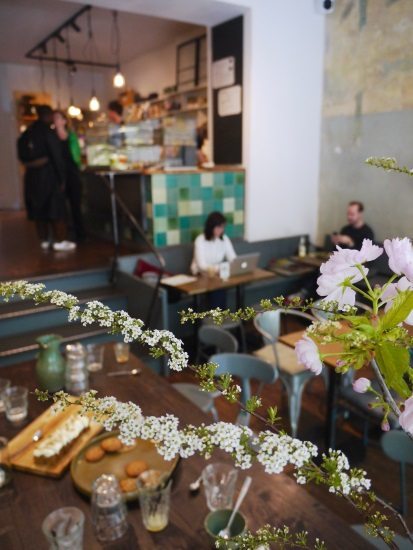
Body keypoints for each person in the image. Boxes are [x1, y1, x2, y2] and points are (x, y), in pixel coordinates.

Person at [17, 105, 75, 251]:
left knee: (39, 209)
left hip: (31, 176)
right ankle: (60, 240)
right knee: (55, 209)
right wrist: (62, 178)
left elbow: (21, 155)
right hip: (49, 175)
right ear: (48, 116)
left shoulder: (27, 133)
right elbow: (57, 157)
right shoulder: (48, 133)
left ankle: (43, 240)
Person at [191, 212, 236, 309]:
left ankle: (221, 319)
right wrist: (221, 268)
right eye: (218, 227)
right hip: (200, 274)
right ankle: (217, 320)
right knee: (218, 288)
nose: (221, 230)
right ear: (211, 226)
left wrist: (224, 268)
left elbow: (233, 259)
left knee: (221, 286)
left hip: (216, 274)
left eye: (223, 227)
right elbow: (202, 265)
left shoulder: (224, 239)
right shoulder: (200, 240)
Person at [53, 111, 86, 243]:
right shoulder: (52, 138)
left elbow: (77, 156)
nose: (55, 120)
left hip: (72, 174)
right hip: (58, 176)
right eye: (54, 118)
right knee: (61, 207)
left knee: (75, 205)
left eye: (57, 118)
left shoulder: (72, 137)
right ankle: (63, 236)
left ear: (64, 121)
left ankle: (80, 235)